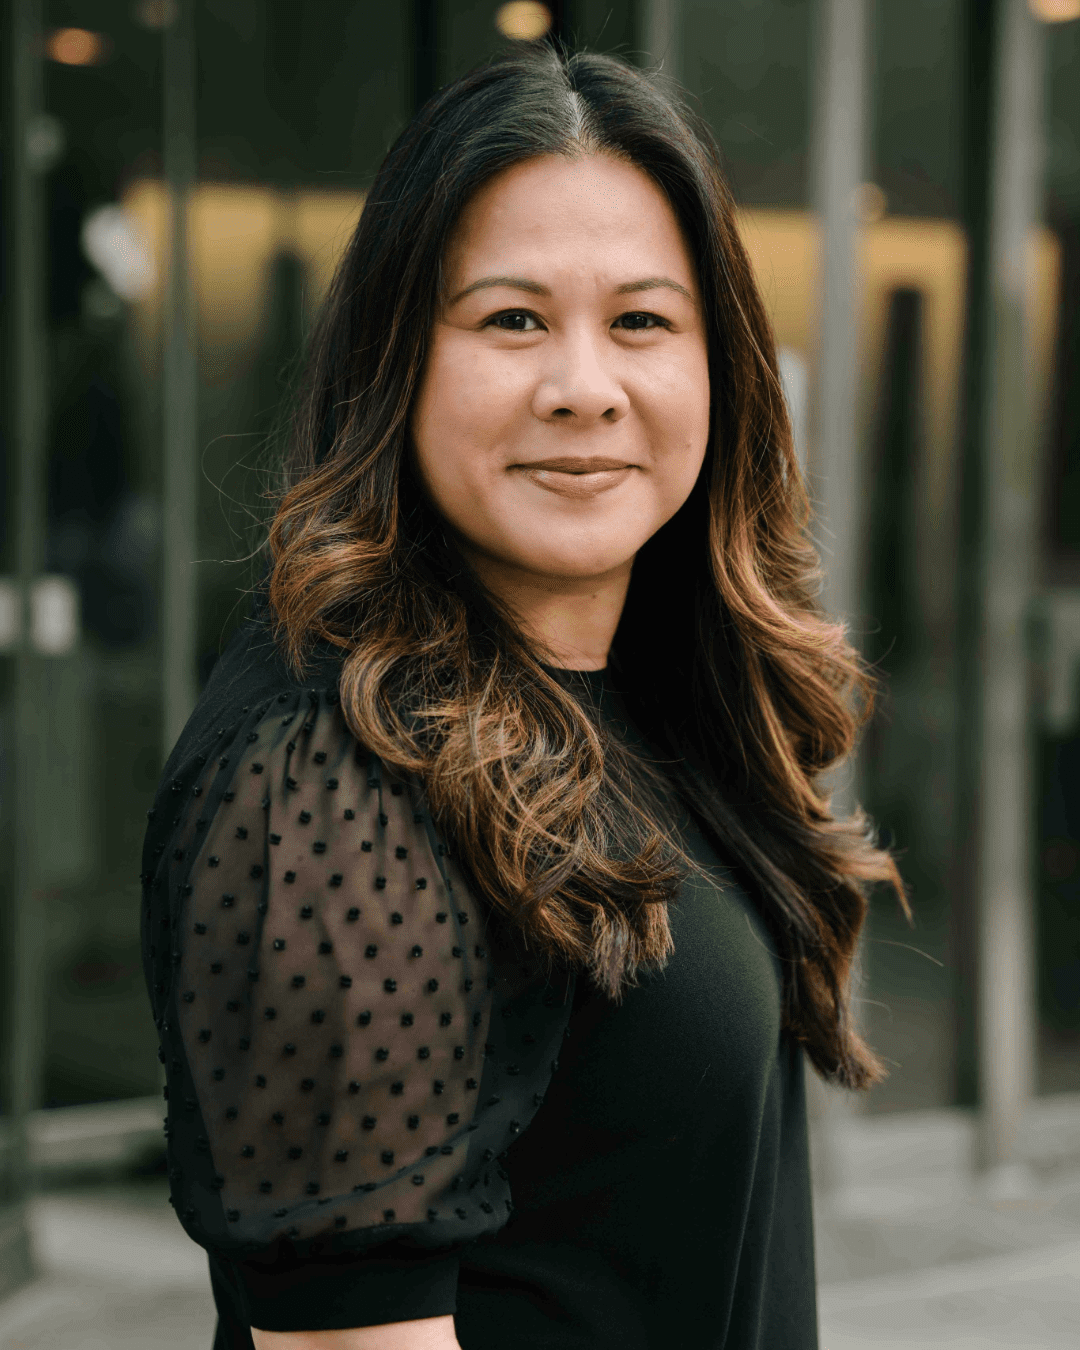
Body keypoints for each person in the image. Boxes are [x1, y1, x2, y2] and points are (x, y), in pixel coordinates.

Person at [140, 42, 904, 1350]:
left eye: (643, 321)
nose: (585, 386)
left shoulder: (651, 693)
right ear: (397, 362)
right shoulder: (330, 776)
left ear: (720, 365)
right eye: (511, 319)